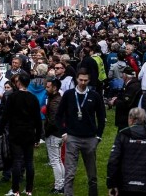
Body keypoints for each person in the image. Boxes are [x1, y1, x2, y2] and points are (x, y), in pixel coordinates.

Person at [56, 68, 106, 196]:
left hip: (90, 138)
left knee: (92, 175)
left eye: (85, 80)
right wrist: (63, 133)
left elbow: (101, 117)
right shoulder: (68, 94)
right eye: (80, 80)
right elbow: (59, 115)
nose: (83, 83)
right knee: (70, 174)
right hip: (72, 137)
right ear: (76, 79)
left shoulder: (95, 96)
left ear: (89, 80)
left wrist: (98, 137)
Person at [106, 107, 146, 196]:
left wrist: (111, 184)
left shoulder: (122, 135)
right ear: (144, 120)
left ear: (131, 119)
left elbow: (113, 161)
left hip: (125, 186)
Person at [0, 73, 42, 196]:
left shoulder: (13, 97)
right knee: (29, 161)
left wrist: (0, 130)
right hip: (29, 132)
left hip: (15, 132)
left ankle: (16, 189)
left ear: (18, 83)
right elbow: (37, 119)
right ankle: (29, 189)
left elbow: (5, 115)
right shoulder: (33, 98)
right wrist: (38, 136)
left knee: (17, 160)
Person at [43, 78, 65, 194]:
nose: (46, 89)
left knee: (55, 161)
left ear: (54, 88)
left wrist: (45, 132)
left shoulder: (55, 102)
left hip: (54, 134)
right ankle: (62, 183)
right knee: (58, 160)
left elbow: (53, 121)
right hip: (58, 133)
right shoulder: (55, 99)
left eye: (48, 87)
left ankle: (59, 185)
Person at [115, 66, 143, 131]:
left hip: (127, 118)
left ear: (125, 75)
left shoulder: (132, 86)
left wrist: (115, 101)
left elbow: (126, 103)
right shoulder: (134, 84)